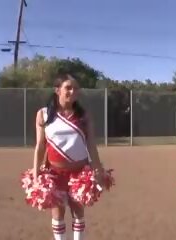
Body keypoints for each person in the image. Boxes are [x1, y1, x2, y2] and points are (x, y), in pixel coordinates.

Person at [32, 73, 106, 240]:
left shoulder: (83, 115)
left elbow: (91, 145)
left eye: (76, 88)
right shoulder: (44, 114)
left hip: (79, 173)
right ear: (57, 90)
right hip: (55, 174)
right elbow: (40, 146)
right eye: (68, 87)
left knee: (78, 214)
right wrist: (36, 174)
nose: (73, 91)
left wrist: (98, 169)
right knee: (57, 215)